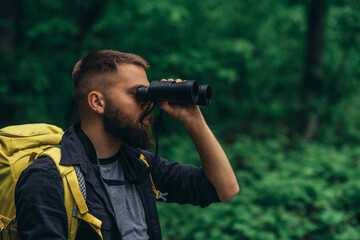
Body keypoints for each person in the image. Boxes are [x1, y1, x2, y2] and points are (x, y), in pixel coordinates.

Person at [15, 50, 239, 240]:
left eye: (149, 93)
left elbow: (224, 189)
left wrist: (193, 119)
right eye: (138, 94)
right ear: (97, 102)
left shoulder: (139, 165)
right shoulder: (47, 178)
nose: (148, 103)